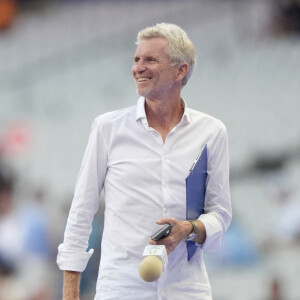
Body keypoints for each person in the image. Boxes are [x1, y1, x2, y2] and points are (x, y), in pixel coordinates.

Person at [57, 23, 232, 300]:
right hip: (121, 288)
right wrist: (70, 293)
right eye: (136, 59)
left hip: (187, 289)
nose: (137, 67)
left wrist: (188, 229)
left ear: (180, 70)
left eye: (150, 59)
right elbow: (81, 211)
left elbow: (220, 214)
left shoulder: (212, 132)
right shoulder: (107, 128)